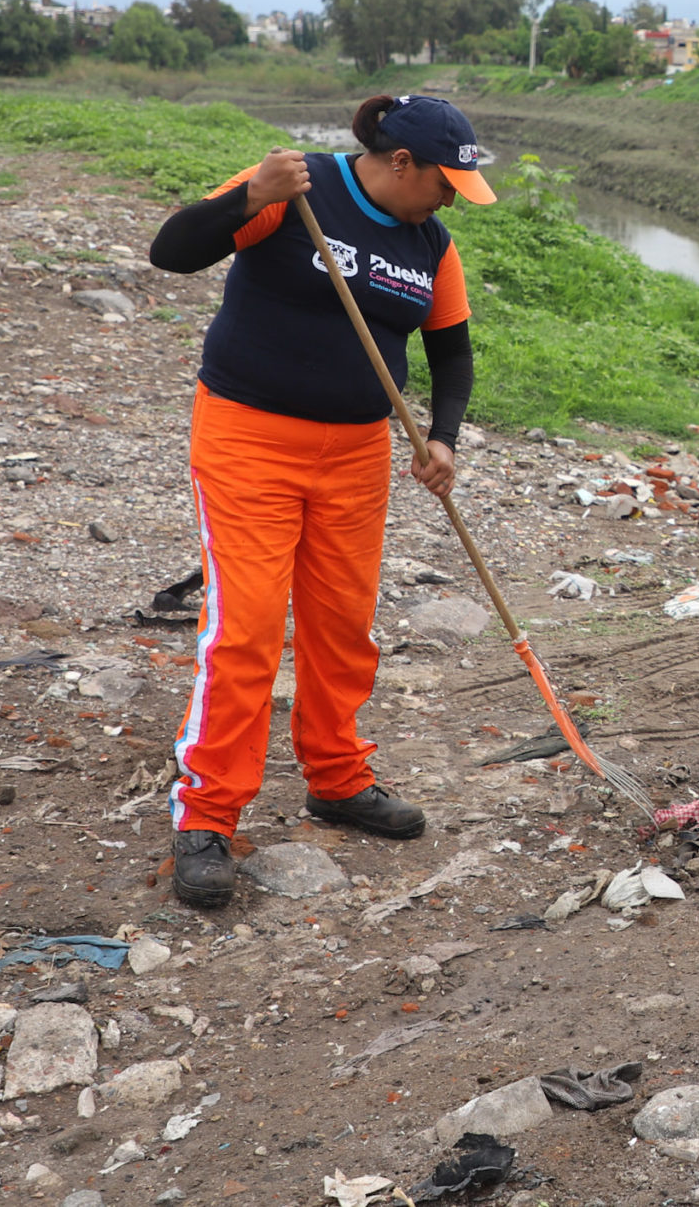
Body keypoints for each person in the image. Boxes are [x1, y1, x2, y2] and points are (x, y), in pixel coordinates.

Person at [145, 93, 495, 909]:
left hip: (357, 452)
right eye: (445, 183)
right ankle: (206, 815)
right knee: (249, 625)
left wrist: (442, 436)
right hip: (248, 438)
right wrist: (249, 197)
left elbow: (453, 353)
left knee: (343, 621)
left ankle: (337, 778)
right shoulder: (297, 188)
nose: (451, 201)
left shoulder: (432, 243)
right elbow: (172, 251)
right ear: (400, 162)